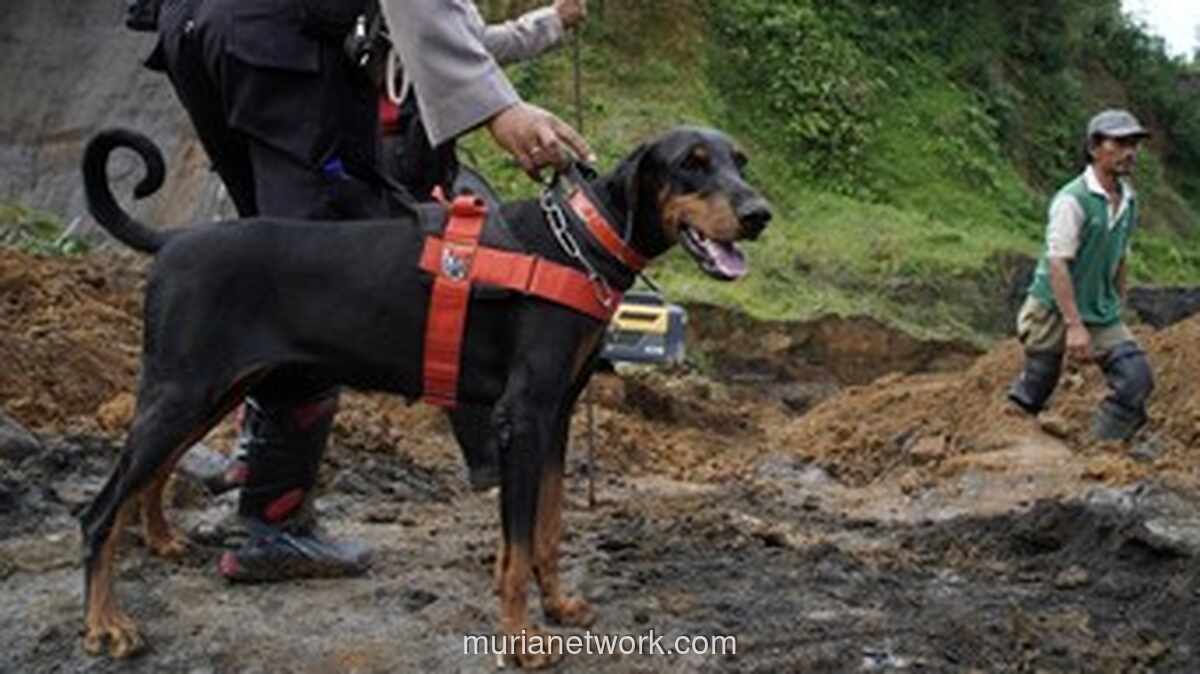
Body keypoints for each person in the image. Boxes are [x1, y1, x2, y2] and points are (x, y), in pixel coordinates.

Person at [133, 0, 591, 583]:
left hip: (203, 30)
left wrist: (546, 26)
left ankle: (226, 470)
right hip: (281, 45)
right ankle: (274, 522)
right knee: (324, 278)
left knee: (273, 265)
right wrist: (498, 108)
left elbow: (462, 31)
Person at [1008, 109, 1155, 442]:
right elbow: (1058, 262)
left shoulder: (1129, 201)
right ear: (1094, 147)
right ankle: (1012, 443)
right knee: (1036, 386)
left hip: (1099, 309)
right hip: (1053, 310)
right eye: (1118, 143)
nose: (1129, 152)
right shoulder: (1072, 200)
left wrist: (1117, 307)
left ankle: (1103, 449)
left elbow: (1120, 256)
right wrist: (1074, 326)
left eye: (1133, 144)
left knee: (1136, 379)